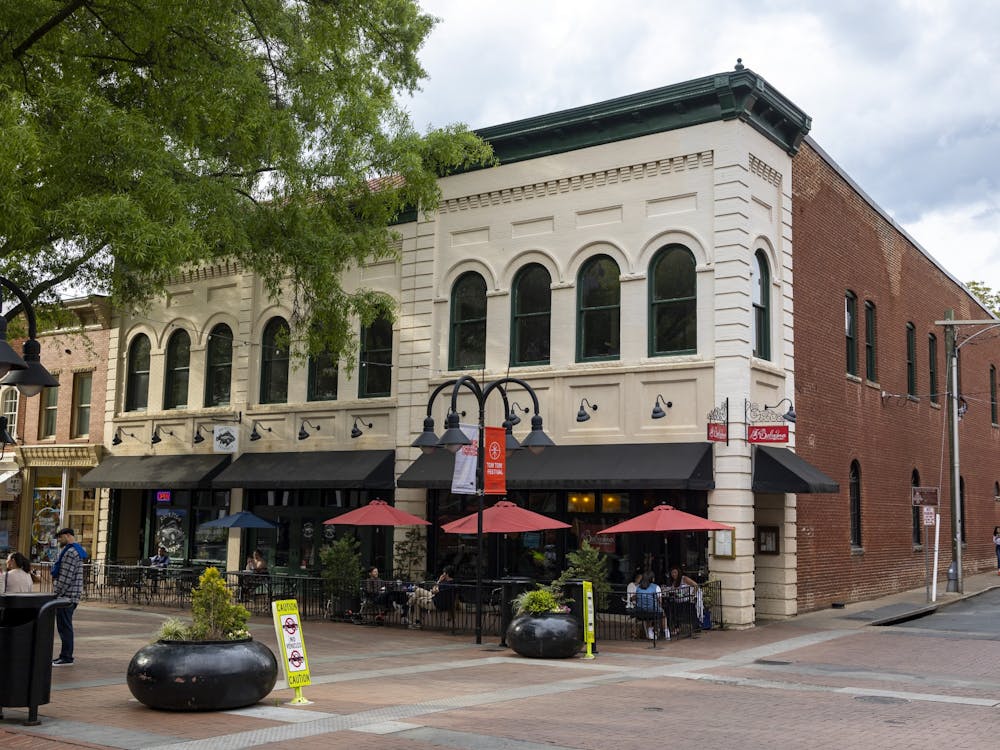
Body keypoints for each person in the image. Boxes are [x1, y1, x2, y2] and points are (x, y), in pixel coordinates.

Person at [51, 527, 87, 665]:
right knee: (65, 626)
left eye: (60, 537)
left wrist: (56, 593)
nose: (59, 540)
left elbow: (66, 578)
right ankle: (65, 656)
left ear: (67, 536)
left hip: (66, 596)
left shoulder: (70, 552)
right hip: (71, 595)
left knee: (64, 627)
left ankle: (66, 657)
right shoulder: (76, 550)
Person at [633, 572, 669, 641]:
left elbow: (636, 598)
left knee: (648, 613)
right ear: (652, 579)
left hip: (640, 611)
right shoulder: (656, 587)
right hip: (653, 611)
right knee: (663, 614)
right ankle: (666, 632)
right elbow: (660, 601)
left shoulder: (638, 587)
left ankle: (650, 631)